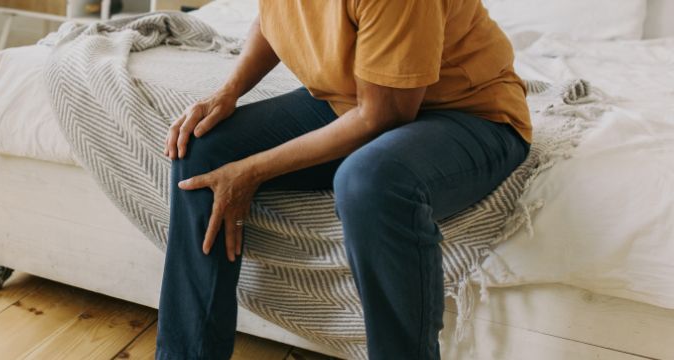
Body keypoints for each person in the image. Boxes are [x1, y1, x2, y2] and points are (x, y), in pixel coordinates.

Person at [154, 1, 532, 359]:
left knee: (369, 181)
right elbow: (275, 19)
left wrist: (252, 171)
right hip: (352, 98)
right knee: (200, 147)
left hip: (468, 115)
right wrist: (228, 91)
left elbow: (383, 116)